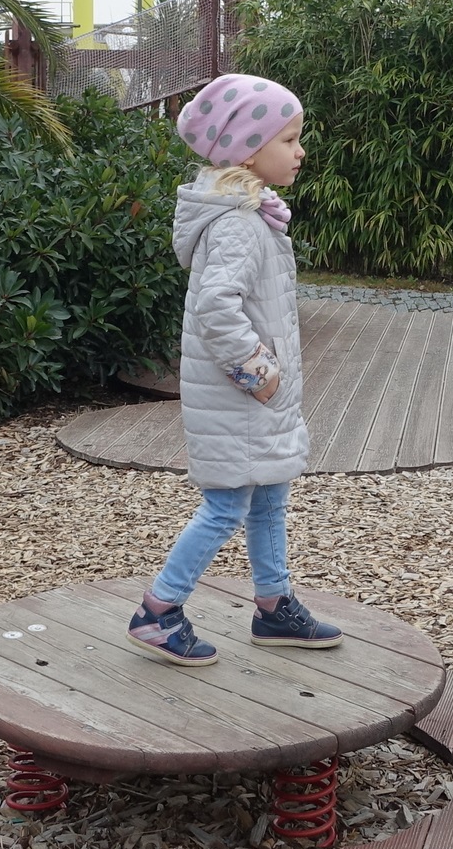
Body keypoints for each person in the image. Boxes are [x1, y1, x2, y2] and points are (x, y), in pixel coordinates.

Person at [129, 73, 343, 665]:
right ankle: (158, 611)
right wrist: (258, 370)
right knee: (226, 507)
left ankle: (273, 606)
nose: (300, 151)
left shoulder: (249, 214)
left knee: (270, 496)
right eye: (289, 139)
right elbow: (215, 307)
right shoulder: (239, 224)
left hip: (256, 401)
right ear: (248, 150)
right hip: (241, 398)